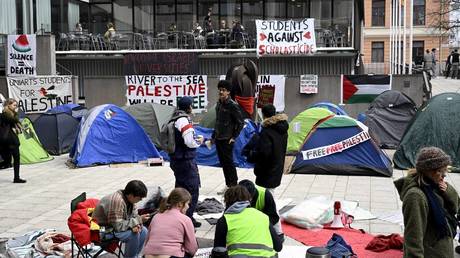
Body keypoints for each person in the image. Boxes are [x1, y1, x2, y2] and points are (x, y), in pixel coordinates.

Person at [394, 147, 460, 257]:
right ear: (429, 171)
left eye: (445, 170)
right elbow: (413, 238)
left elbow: (456, 207)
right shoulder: (416, 196)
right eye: (440, 171)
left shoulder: (435, 185)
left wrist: (448, 191)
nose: (444, 175)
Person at [213, 185, 283, 257]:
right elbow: (278, 247)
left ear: (227, 201)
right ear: (249, 199)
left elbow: (218, 250)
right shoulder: (263, 217)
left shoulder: (225, 220)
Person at [92, 180, 150, 258]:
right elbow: (118, 227)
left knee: (144, 231)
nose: (140, 200)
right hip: (101, 229)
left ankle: (136, 255)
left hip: (113, 227)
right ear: (131, 195)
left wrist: (137, 224)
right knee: (133, 235)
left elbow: (133, 215)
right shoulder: (117, 202)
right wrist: (138, 220)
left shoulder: (130, 200)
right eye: (139, 198)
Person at [169, 97, 203, 228]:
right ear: (189, 107)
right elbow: (189, 142)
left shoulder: (174, 117)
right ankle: (188, 218)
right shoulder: (184, 120)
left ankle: (177, 215)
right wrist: (198, 142)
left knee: (180, 188)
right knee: (192, 189)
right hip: (185, 160)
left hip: (176, 159)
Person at [245, 104, 288, 192]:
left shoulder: (266, 132)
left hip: (266, 170)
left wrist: (251, 156)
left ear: (263, 114)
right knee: (271, 192)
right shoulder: (283, 129)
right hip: (277, 166)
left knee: (265, 195)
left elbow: (263, 153)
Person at [144, 188, 198, 258]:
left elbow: (147, 240)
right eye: (187, 204)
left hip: (148, 255)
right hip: (170, 255)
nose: (188, 207)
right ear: (180, 204)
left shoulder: (156, 216)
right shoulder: (185, 219)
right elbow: (192, 248)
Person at [212, 80, 244, 194]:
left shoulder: (232, 105)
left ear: (228, 92)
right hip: (219, 138)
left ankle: (234, 186)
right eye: (220, 90)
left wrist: (234, 137)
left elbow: (240, 123)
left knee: (229, 163)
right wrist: (213, 137)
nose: (221, 92)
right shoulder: (219, 104)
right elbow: (217, 122)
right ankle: (228, 185)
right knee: (223, 163)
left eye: (224, 90)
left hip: (227, 139)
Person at [0, 98, 25, 183]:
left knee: (16, 159)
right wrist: (15, 113)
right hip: (7, 140)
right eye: (14, 105)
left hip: (11, 139)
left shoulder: (10, 114)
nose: (15, 107)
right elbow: (14, 120)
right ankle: (16, 178)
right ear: (8, 105)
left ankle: (16, 178)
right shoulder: (5, 114)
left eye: (16, 105)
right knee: (7, 162)